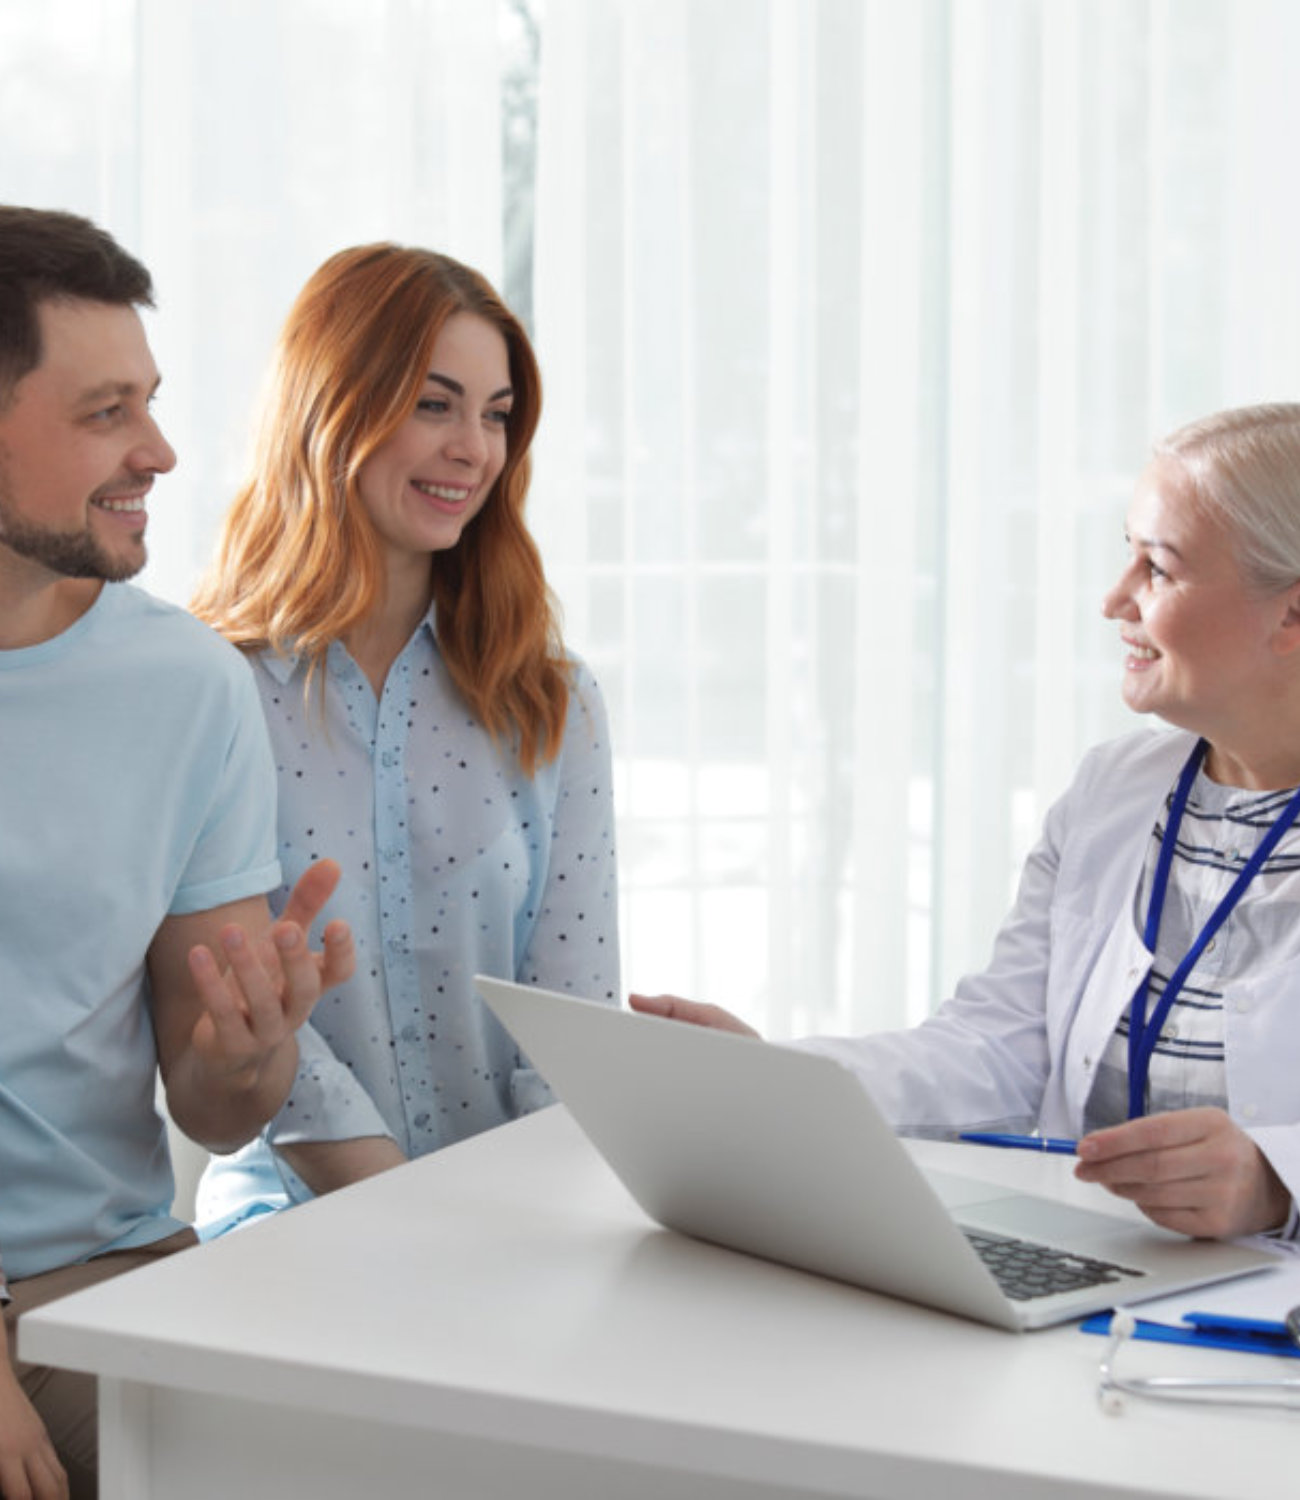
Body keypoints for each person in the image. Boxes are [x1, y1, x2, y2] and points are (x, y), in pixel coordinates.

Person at [634, 403, 1300, 1245]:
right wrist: (776, 1081)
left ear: (1291, 615)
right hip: (1103, 1269)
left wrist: (1276, 1181)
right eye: (1124, 555)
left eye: (1158, 568)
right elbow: (995, 1049)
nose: (1113, 599)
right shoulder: (1114, 791)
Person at [0, 205, 354, 1500]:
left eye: (147, 404)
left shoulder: (188, 687)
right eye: (105, 415)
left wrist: (243, 1060)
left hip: (111, 1281)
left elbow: (211, 1109)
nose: (158, 450)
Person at [190, 243, 619, 1225]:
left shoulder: (554, 703)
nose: (473, 447)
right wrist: (426, 1230)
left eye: (496, 414)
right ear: (332, 407)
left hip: (520, 1226)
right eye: (435, 404)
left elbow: (575, 1027)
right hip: (288, 1230)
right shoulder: (211, 692)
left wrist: (524, 1236)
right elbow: (260, 1033)